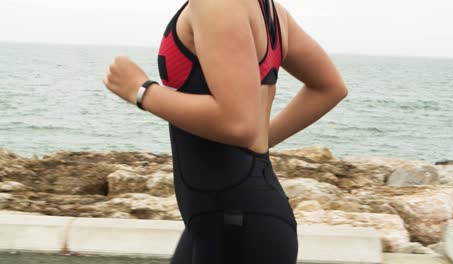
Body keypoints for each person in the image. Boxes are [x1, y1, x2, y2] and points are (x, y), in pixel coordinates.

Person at [103, 0, 348, 263]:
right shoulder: (271, 12)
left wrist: (142, 92)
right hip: (223, 220)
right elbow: (329, 88)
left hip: (237, 224)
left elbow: (237, 123)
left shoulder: (217, 4)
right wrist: (260, 138)